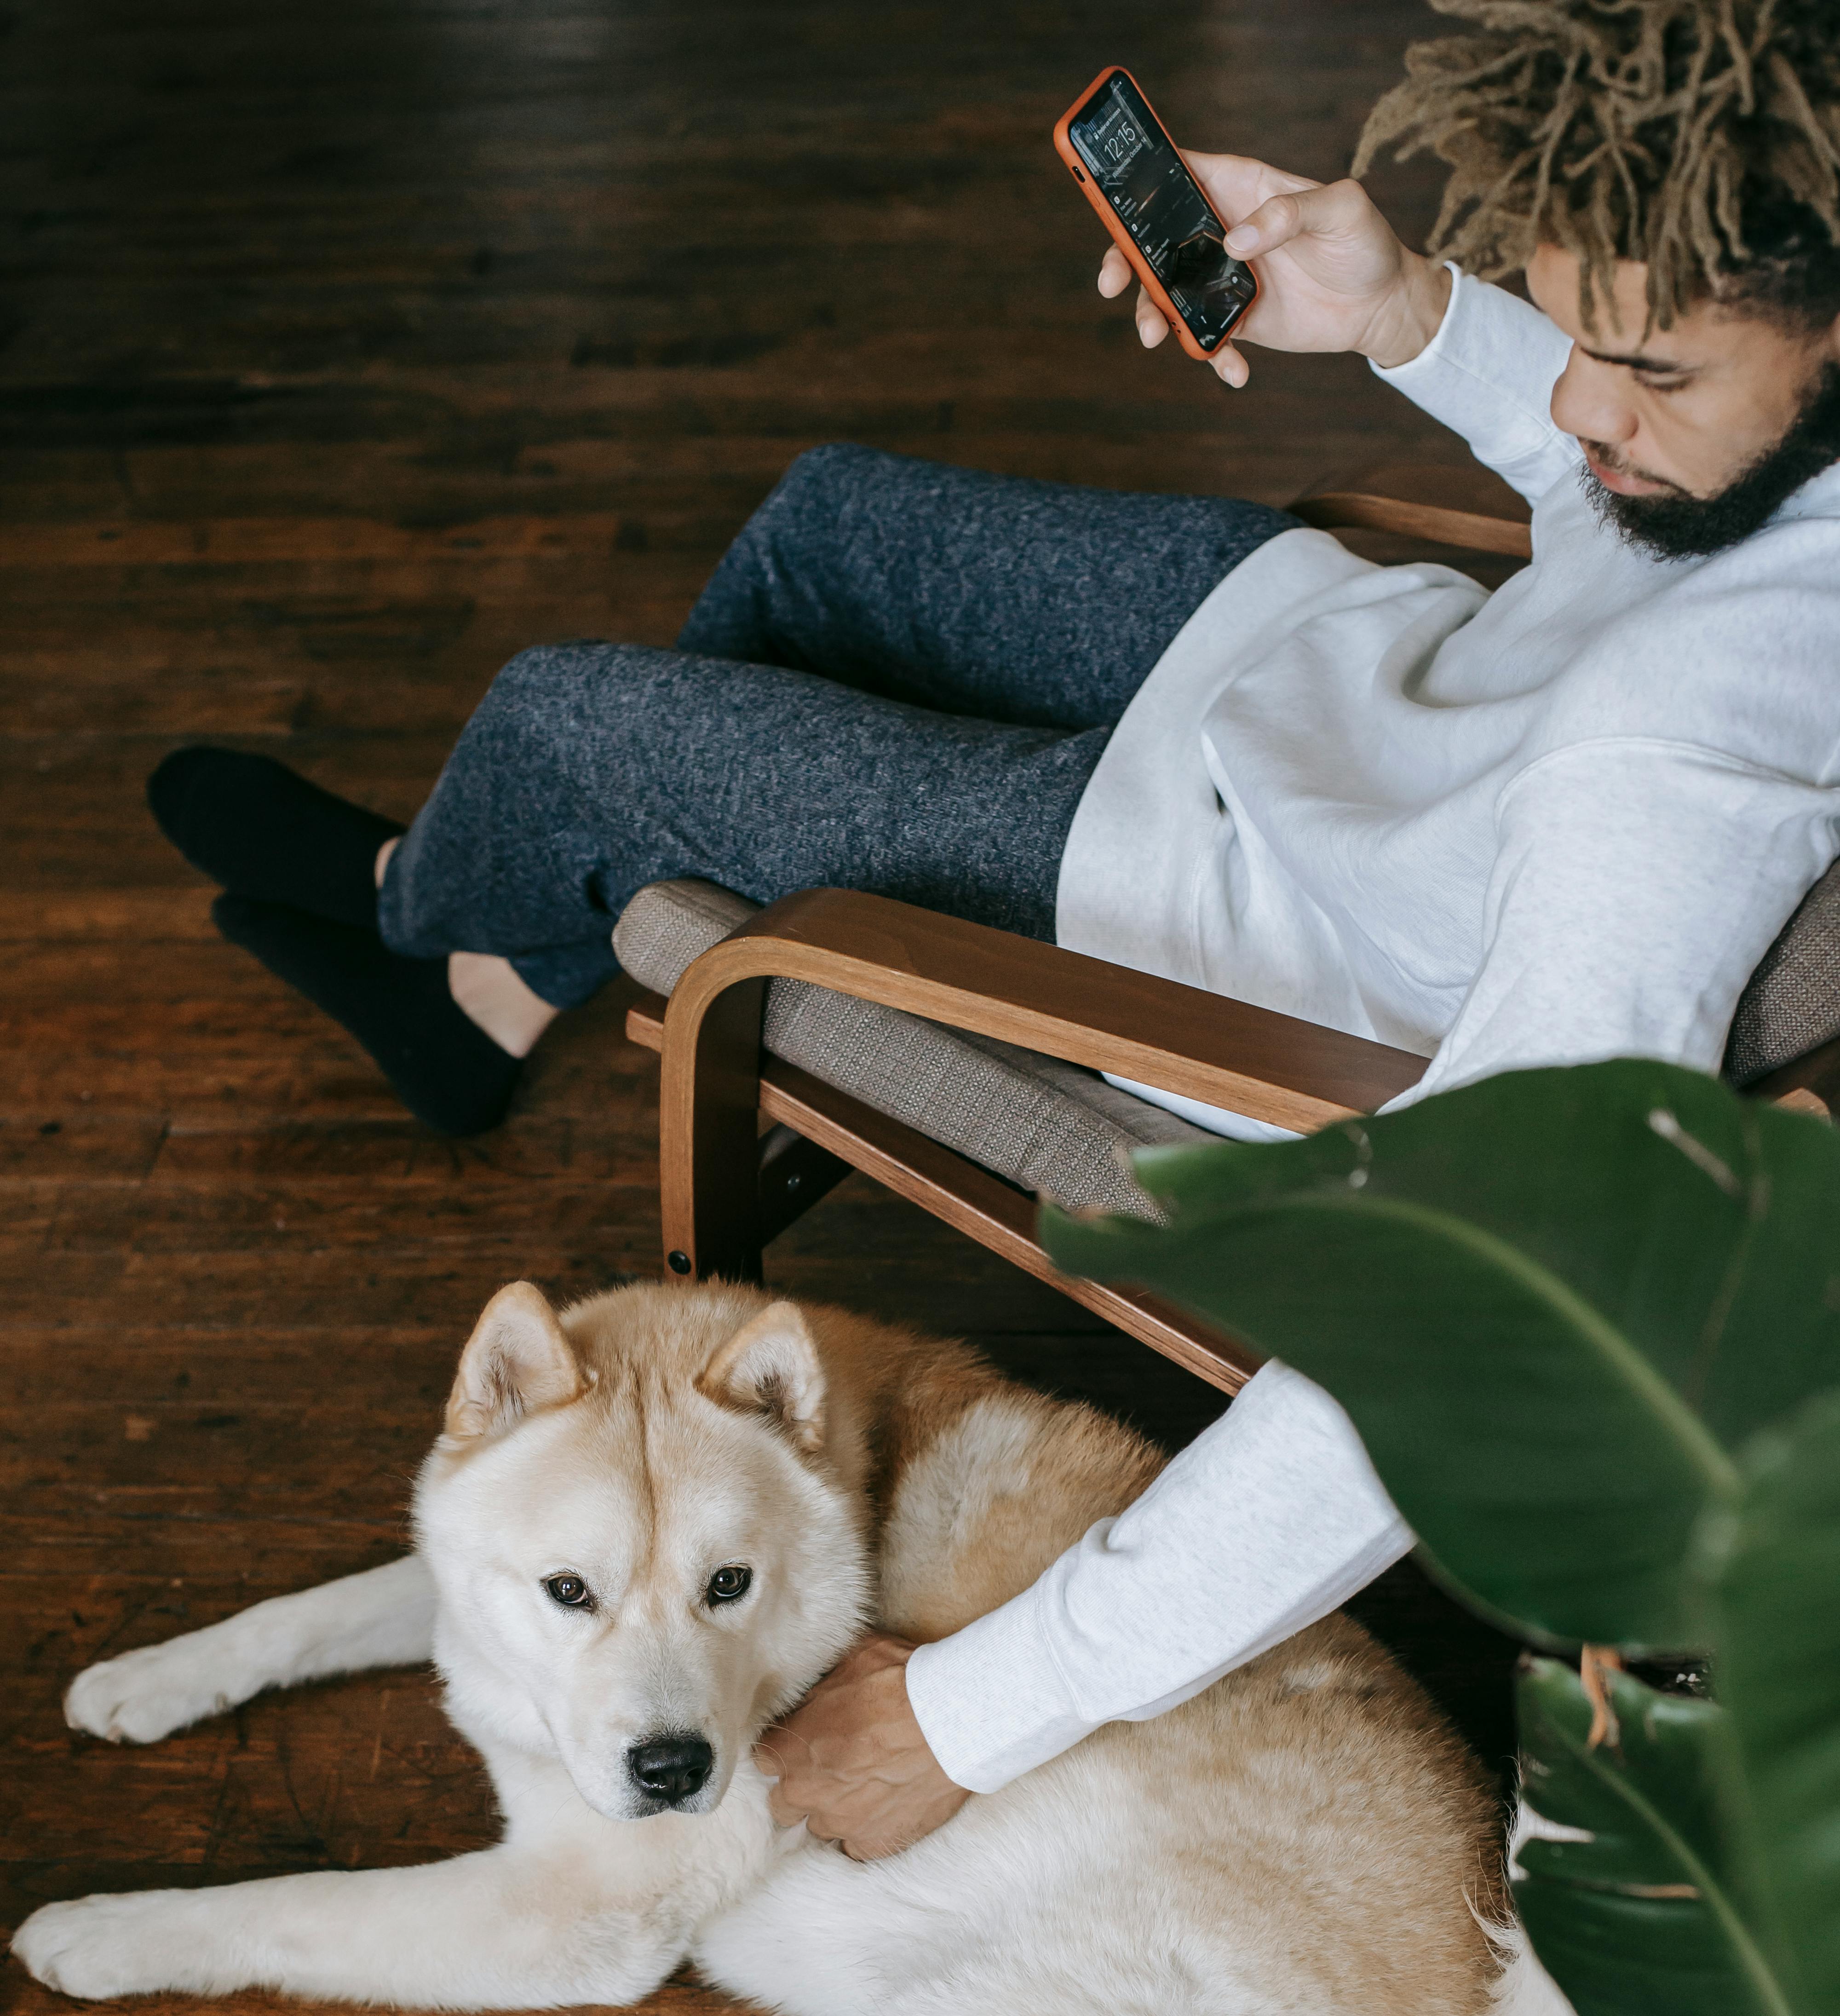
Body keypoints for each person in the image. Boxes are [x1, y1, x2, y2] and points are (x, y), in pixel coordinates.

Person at [151, 0, 1840, 1857]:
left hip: (1173, 893)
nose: (1591, 409)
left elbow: (1465, 1298)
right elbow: (1618, 491)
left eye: (1652, 375)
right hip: (1318, 665)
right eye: (1581, 340)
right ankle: (496, 978)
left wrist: (979, 1711)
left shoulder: (1683, 769)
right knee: (824, 528)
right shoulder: (1764, 439)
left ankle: (430, 915)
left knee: (564, 717)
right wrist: (1400, 307)